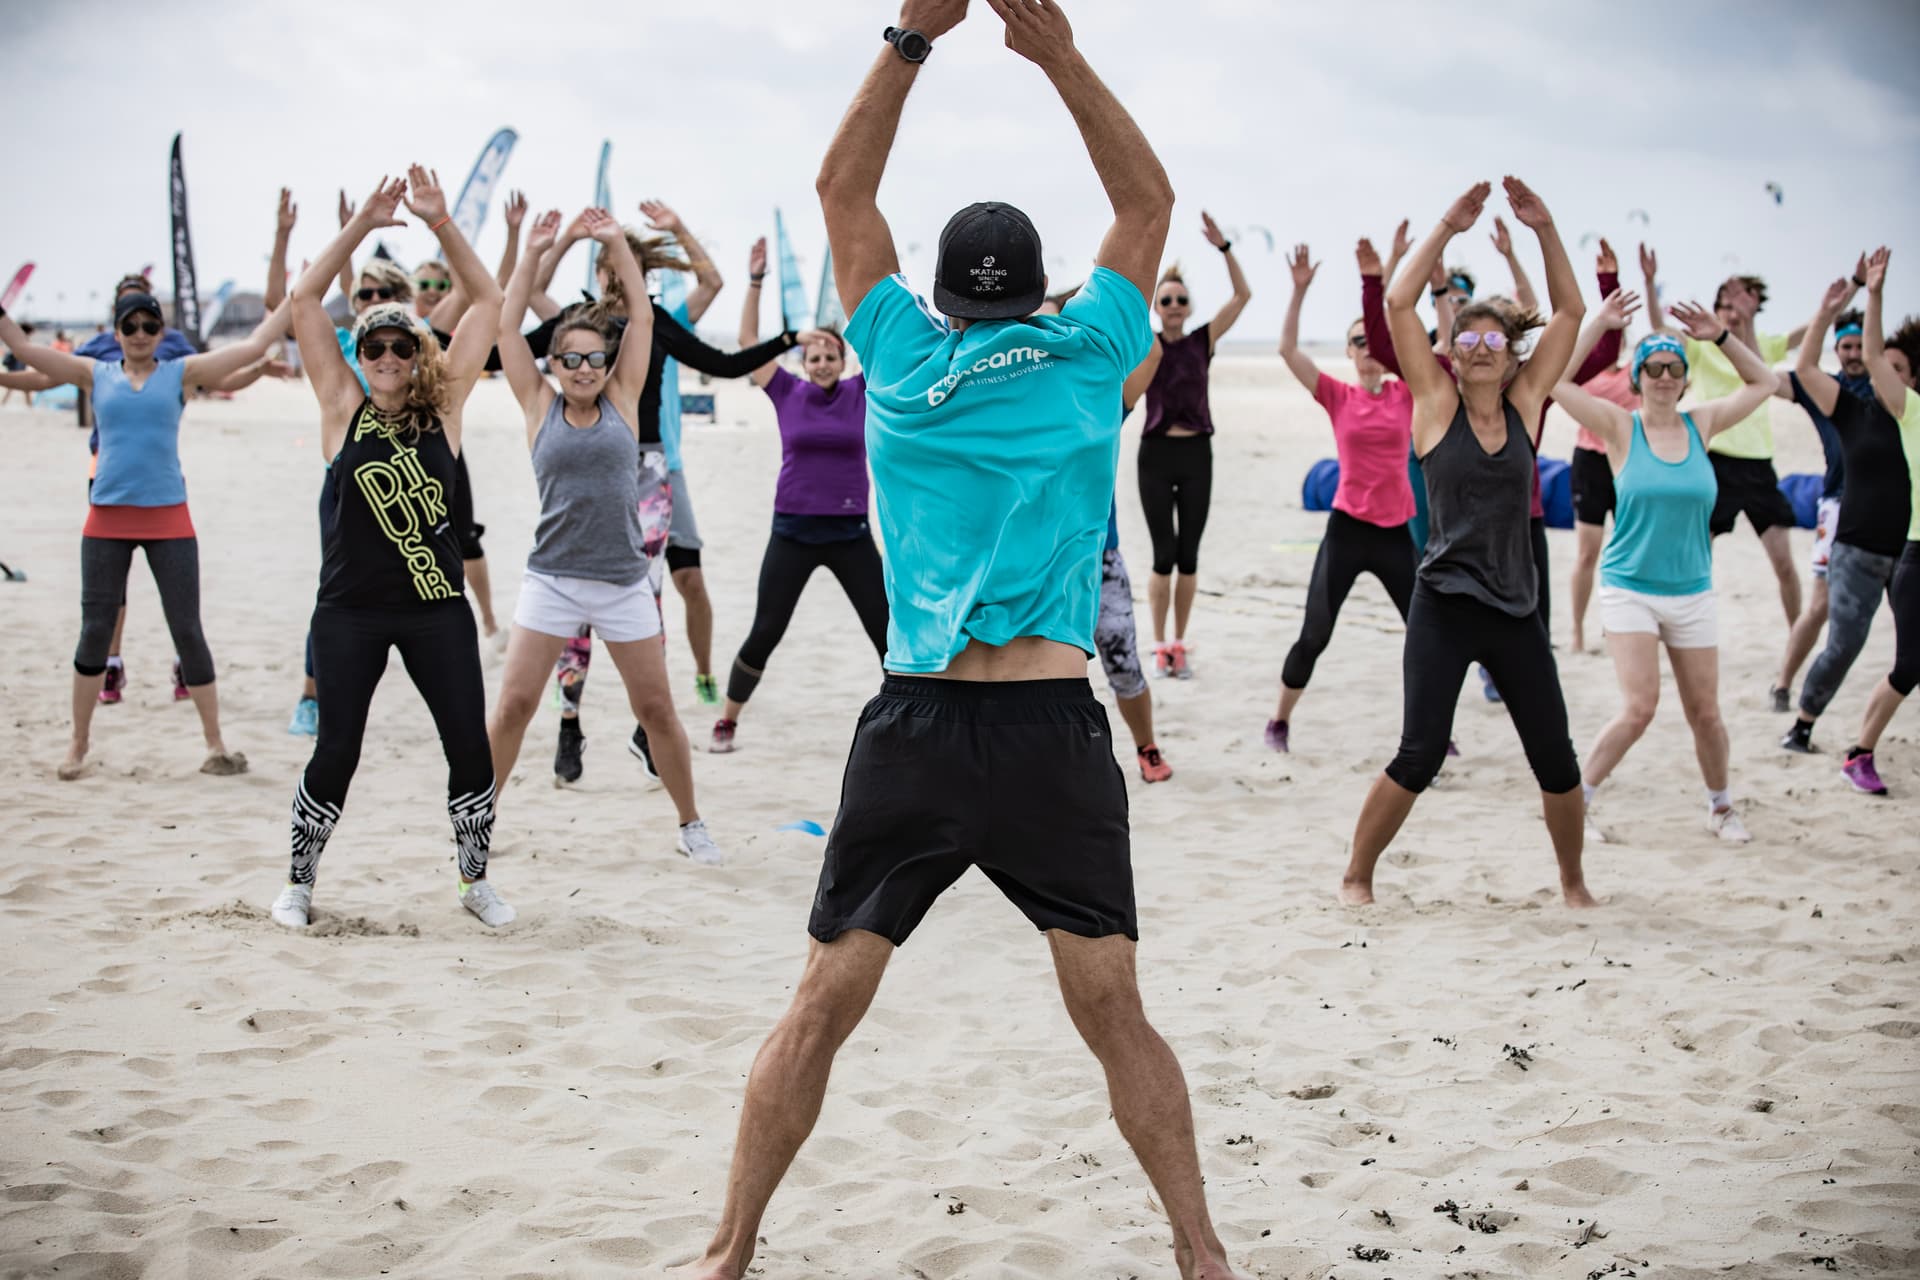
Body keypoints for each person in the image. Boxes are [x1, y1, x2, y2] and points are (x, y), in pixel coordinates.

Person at [690, 5, 1244, 1278]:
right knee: (1114, 1010)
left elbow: (841, 186)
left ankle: (727, 1253)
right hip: (1053, 728)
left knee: (822, 1000)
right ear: (1041, 288)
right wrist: (1053, 53)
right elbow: (1147, 197)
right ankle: (1203, 1255)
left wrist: (910, 36)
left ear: (939, 296)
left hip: (919, 722)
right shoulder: (1091, 344)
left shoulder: (892, 350)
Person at [268, 169, 512, 931]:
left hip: (437, 610)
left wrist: (440, 222)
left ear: (419, 349)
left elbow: (491, 303)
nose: (385, 354)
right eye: (374, 343)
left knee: (470, 749)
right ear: (360, 348)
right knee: (336, 749)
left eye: (400, 344)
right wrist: (360, 224)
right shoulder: (341, 406)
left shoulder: (445, 411)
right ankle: (299, 883)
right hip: (349, 612)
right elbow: (304, 302)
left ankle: (474, 882)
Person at [1340, 178, 1593, 910]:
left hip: (1516, 608)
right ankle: (1358, 876)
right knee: (1418, 754)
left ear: (1512, 353)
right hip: (1444, 605)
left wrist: (1546, 231)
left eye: (1494, 337)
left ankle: (1574, 885)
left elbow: (1571, 312)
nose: (1480, 346)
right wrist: (1447, 227)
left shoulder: (1524, 405)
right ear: (1451, 348)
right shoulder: (1434, 401)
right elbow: (1395, 304)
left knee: (1555, 758)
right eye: (1467, 336)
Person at [486, 208, 722, 864]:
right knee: (512, 709)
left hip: (621, 582)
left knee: (657, 709)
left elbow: (642, 318)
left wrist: (617, 241)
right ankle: (479, 819)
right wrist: (543, 249)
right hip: (552, 580)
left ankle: (690, 823)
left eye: (594, 358)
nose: (584, 368)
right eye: (572, 359)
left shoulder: (623, 395)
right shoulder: (538, 404)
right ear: (555, 362)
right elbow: (507, 323)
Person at [532, 215, 795, 785]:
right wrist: (571, 239)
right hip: (585, 464)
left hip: (650, 467)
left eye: (628, 259)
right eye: (611, 260)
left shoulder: (653, 325)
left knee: (648, 596)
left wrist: (785, 340)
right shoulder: (578, 326)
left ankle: (646, 724)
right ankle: (569, 723)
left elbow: (723, 363)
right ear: (600, 269)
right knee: (572, 597)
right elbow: (527, 297)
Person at [0, 286, 289, 780]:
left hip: (168, 517)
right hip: (107, 519)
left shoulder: (182, 373)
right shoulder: (96, 372)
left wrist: (297, 299)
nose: (139, 334)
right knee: (95, 632)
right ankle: (78, 742)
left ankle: (215, 743)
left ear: (161, 333)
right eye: (130, 326)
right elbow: (27, 353)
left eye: (149, 326)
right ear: (116, 334)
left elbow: (252, 345)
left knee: (188, 632)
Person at [1553, 303, 1778, 843]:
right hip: (1630, 588)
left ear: (1685, 378)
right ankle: (1575, 800)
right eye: (1652, 367)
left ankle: (1721, 808)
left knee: (1706, 712)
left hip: (1692, 591)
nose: (1663, 377)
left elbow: (1765, 380)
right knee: (1640, 708)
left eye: (1674, 368)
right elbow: (1556, 381)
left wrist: (1721, 335)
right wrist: (1599, 326)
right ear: (1637, 377)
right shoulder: (1619, 427)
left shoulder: (1702, 423)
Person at [714, 237, 888, 754]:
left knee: (886, 632)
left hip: (850, 532)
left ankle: (911, 719)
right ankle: (727, 720)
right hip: (791, 531)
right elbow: (747, 341)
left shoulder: (862, 391)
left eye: (829, 355)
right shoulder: (786, 390)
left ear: (842, 358)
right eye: (812, 357)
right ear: (803, 360)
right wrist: (756, 282)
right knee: (766, 630)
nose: (820, 364)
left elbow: (886, 343)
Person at [1268, 241, 1416, 750]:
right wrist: (1299, 290)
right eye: (1358, 341)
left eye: (1372, 339)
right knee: (1315, 635)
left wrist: (1392, 270)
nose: (1368, 347)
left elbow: (1402, 328)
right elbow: (1288, 351)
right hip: (1349, 528)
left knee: (1425, 635)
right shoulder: (1339, 395)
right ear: (1350, 352)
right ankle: (1279, 722)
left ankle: (1433, 728)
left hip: (1398, 531)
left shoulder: (1408, 392)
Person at [1644, 248, 1808, 691]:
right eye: (1732, 301)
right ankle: (1677, 634)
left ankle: (1799, 639)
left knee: (1784, 563)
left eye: (1746, 301)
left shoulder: (1759, 344)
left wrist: (1844, 295)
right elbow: (1662, 337)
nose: (1737, 309)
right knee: (1697, 556)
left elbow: (1784, 354)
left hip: (1760, 465)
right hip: (1716, 463)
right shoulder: (1700, 346)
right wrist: (1649, 282)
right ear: (1717, 306)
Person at [1780, 269, 1912, 760]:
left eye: (1898, 370)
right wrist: (1832, 310)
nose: (1884, 374)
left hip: (1908, 552)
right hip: (1856, 549)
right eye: (1884, 367)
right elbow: (1808, 366)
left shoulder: (1914, 417)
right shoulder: (1852, 411)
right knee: (1843, 645)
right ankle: (1802, 724)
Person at [1053, 282, 1174, 782]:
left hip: (1098, 558)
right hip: (1041, 563)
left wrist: (1110, 294)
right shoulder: (1011, 393)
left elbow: (1153, 351)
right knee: (1049, 672)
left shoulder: (1097, 398)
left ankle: (1146, 747)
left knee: (1122, 660)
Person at [1136, 209, 1251, 678]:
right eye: (1167, 299)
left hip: (1196, 455)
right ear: (1157, 306)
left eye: (1182, 298)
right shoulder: (1147, 342)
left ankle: (1179, 641)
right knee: (1163, 555)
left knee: (1189, 557)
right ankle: (1160, 643)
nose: (1176, 305)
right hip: (1156, 456)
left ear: (1189, 304)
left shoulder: (1203, 340)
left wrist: (1225, 249)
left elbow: (1243, 296)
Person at [1829, 248, 1920, 795]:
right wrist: (1875, 292)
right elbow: (1876, 357)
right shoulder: (1912, 412)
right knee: (1910, 665)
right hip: (1918, 557)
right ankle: (1859, 753)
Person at [1773, 266, 1872, 706]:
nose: (1853, 354)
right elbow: (1772, 376)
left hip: (1891, 508)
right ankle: (1782, 683)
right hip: (1837, 505)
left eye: (1859, 346)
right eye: (1846, 346)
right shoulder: (1825, 390)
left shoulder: (1891, 387)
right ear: (1837, 348)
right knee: (1819, 607)